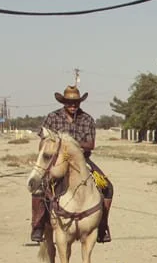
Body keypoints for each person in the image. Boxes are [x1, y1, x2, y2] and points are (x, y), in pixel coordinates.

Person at [32, 85, 113, 243]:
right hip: (57, 161)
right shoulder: (52, 118)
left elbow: (90, 144)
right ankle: (38, 225)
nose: (73, 105)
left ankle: (102, 226)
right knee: (39, 187)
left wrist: (70, 145)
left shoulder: (87, 119)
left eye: (76, 102)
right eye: (69, 102)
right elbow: (43, 142)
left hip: (82, 160)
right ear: (63, 102)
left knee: (107, 187)